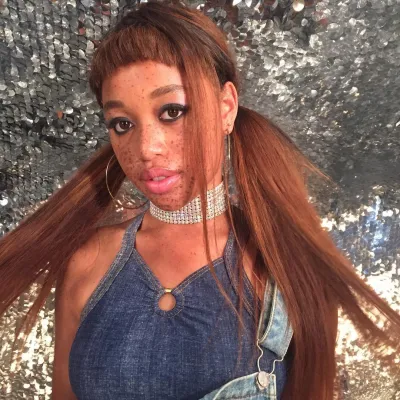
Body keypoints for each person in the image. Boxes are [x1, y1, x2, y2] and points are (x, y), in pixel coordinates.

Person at [0, 1, 399, 399]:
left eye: (172, 112)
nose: (146, 148)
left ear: (226, 107)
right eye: (122, 124)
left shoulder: (285, 264)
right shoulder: (89, 262)